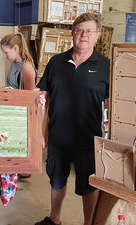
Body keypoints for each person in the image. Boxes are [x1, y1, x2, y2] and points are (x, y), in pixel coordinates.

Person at [35, 12, 109, 225]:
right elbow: (43, 98)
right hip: (58, 138)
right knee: (56, 180)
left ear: (97, 35)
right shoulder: (56, 62)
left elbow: (113, 107)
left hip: (89, 140)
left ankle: (89, 223)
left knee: (88, 185)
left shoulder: (106, 66)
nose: (83, 35)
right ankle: (54, 218)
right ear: (72, 34)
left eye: (89, 31)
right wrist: (38, 132)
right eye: (79, 31)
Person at [0, 33, 36, 179]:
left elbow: (29, 98)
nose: (4, 56)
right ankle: (19, 173)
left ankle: (7, 183)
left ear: (15, 48)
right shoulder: (14, 64)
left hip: (19, 115)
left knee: (10, 149)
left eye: (6, 52)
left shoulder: (26, 68)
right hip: (11, 111)